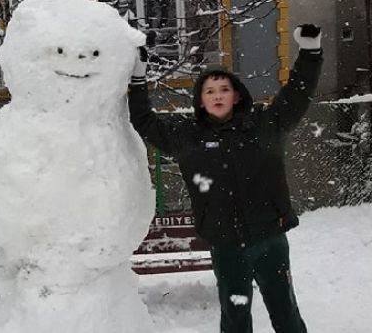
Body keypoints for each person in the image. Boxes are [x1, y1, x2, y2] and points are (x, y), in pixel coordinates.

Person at [128, 24, 323, 333]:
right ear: (201, 100)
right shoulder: (187, 137)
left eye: (223, 89)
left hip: (269, 239)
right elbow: (144, 121)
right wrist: (138, 78)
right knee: (235, 316)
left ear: (235, 96)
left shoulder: (265, 126)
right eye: (209, 91)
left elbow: (297, 95)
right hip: (227, 246)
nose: (217, 95)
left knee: (285, 310)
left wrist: (310, 53)